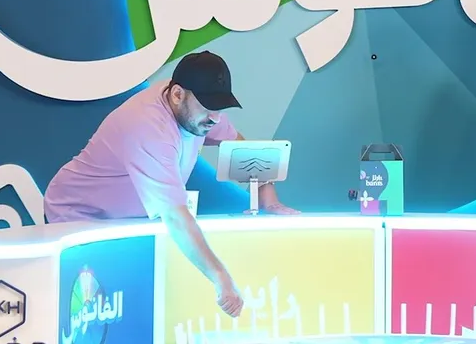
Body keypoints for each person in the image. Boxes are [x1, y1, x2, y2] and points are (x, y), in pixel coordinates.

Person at [43, 51, 299, 316]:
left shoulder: (194, 106)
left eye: (219, 108)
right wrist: (221, 278)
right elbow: (175, 217)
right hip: (78, 216)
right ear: (177, 95)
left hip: (126, 219)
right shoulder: (148, 129)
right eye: (208, 107)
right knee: (96, 309)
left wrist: (268, 195)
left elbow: (238, 145)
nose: (215, 118)